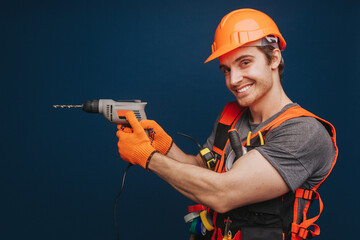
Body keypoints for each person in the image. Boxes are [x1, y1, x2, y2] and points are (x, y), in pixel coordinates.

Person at [116, 8, 338, 240]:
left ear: (274, 58)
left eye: (245, 62)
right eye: (226, 69)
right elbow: (204, 174)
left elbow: (222, 193)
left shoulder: (304, 132)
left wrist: (148, 157)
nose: (233, 80)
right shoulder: (231, 117)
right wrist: (165, 147)